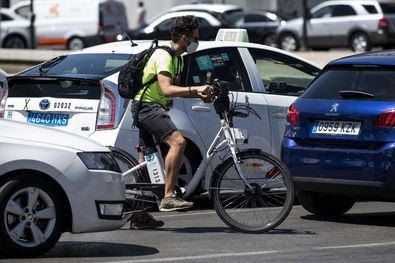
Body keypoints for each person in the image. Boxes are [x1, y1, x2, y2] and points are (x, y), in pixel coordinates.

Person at [129, 15, 213, 230]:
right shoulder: (164, 56)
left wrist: (198, 94)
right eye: (195, 37)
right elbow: (166, 89)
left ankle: (139, 215)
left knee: (145, 163)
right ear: (185, 38)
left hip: (149, 107)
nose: (197, 40)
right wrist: (196, 88)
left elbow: (174, 91)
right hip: (147, 107)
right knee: (178, 142)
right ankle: (168, 197)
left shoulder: (179, 58)